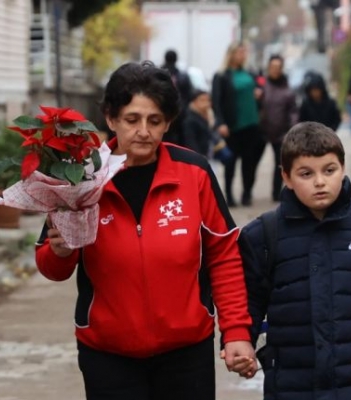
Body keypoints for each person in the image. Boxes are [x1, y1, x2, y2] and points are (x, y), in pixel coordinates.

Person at [35, 61, 255, 400]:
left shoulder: (193, 173)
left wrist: (236, 331)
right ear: (111, 119)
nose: (144, 131)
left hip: (186, 354)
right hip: (107, 355)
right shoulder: (81, 176)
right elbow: (51, 266)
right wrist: (61, 251)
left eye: (155, 121)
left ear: (167, 122)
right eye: (132, 120)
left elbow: (223, 255)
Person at [234, 122, 351, 399]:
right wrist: (242, 341)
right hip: (292, 384)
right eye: (306, 173)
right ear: (286, 177)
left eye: (329, 170)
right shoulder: (262, 236)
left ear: (343, 168)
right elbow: (247, 299)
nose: (320, 181)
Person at [211, 41, 264, 207]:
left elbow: (259, 89)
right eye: (240, 52)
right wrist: (220, 123)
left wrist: (258, 93)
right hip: (232, 126)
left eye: (244, 52)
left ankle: (247, 193)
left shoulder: (250, 73)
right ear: (231, 54)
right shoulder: (222, 76)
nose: (243, 55)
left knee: (249, 163)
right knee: (230, 163)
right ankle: (229, 195)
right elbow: (216, 101)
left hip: (251, 124)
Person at [259, 54, 298, 202]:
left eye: (278, 67)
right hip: (261, 132)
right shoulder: (261, 87)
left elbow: (293, 111)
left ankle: (276, 193)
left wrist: (292, 129)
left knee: (279, 164)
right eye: (272, 67)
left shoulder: (288, 89)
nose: (275, 70)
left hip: (281, 133)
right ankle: (246, 192)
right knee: (251, 163)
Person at [182, 89, 232, 164]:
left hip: (210, 154)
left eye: (208, 100)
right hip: (200, 158)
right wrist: (198, 159)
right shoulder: (190, 119)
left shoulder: (209, 115)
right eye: (202, 100)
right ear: (194, 101)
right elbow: (190, 142)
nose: (206, 103)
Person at [161, 49, 193, 145]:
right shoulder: (182, 75)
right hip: (179, 113)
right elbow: (189, 95)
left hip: (162, 110)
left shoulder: (158, 75)